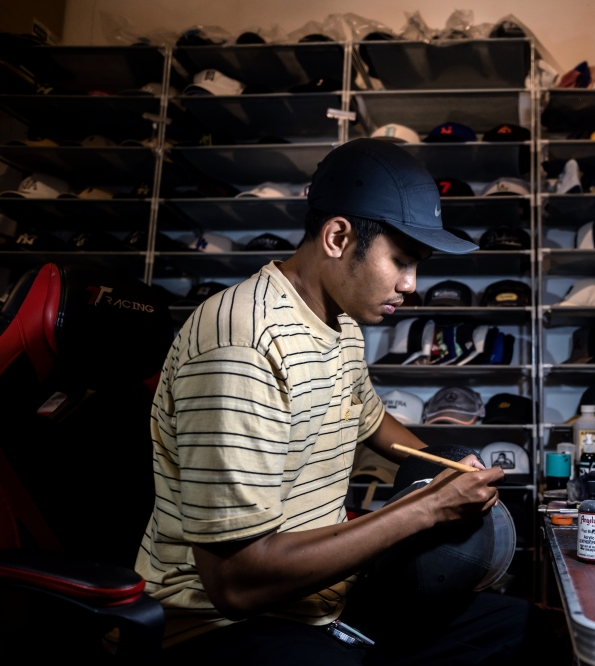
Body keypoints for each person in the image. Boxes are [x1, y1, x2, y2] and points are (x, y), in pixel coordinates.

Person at [138, 139, 559, 664]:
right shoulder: (243, 343)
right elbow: (236, 583)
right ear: (338, 237)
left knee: (521, 629)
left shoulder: (341, 323)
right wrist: (427, 508)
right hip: (220, 623)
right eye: (401, 261)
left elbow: (372, 421)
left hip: (322, 599)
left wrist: (447, 468)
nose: (411, 285)